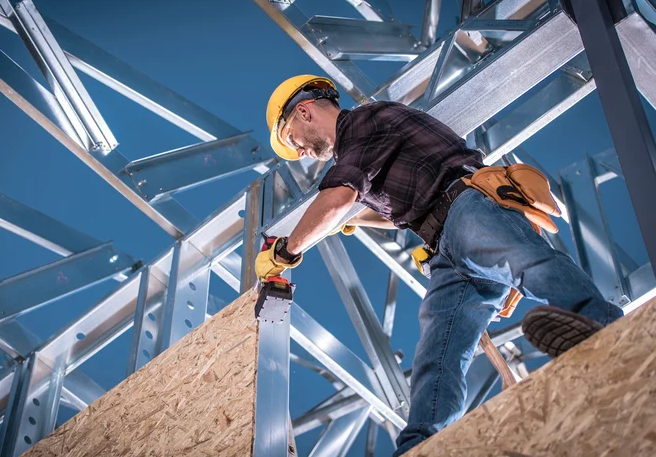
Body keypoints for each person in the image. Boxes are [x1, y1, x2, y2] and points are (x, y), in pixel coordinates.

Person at [253, 75, 625, 454]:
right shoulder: (364, 142)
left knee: (527, 262)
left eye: (289, 137)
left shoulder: (363, 123)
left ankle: (602, 324)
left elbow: (335, 199)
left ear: (303, 111)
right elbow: (394, 212)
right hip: (446, 240)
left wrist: (285, 252)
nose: (296, 149)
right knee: (439, 349)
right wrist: (356, 217)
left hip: (466, 208)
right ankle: (422, 444)